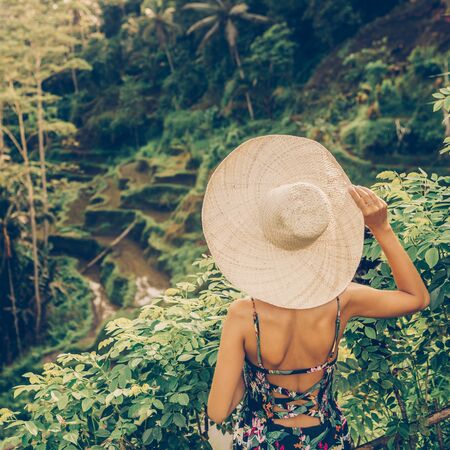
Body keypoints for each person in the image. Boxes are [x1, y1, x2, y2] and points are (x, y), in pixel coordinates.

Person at [201, 135, 430, 450]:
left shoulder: (244, 315)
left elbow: (218, 410)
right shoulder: (341, 300)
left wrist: (249, 378)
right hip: (329, 439)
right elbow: (417, 298)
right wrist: (382, 229)